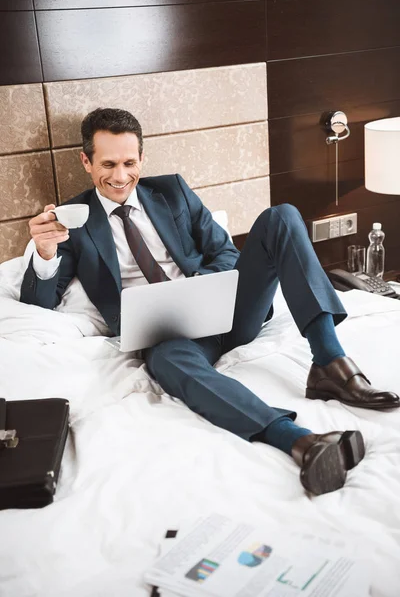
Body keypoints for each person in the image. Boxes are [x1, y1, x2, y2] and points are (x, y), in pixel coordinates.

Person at [20, 108, 399, 496]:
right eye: (108, 164)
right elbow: (38, 301)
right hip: (170, 337)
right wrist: (44, 251)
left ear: (142, 158)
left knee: (281, 216)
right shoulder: (73, 220)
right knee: (164, 360)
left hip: (229, 310)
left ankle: (330, 364)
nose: (120, 176)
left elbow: (225, 253)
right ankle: (301, 441)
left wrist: (198, 287)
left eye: (129, 162)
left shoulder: (172, 191)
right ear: (86, 161)